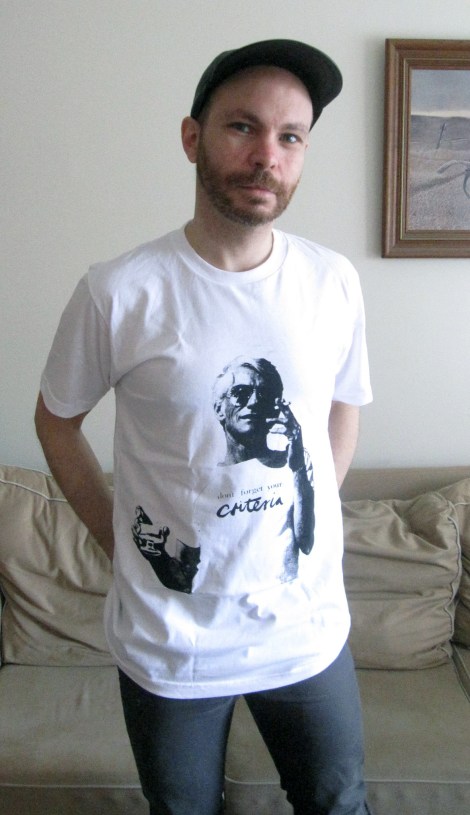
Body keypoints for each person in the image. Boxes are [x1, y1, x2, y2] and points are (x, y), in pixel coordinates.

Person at [35, 39, 373, 815]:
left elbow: (344, 403)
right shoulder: (120, 291)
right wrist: (116, 537)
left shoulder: (332, 281)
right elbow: (55, 422)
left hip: (305, 632)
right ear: (193, 138)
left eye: (290, 137)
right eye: (242, 127)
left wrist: (309, 507)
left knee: (339, 804)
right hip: (172, 642)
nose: (267, 156)